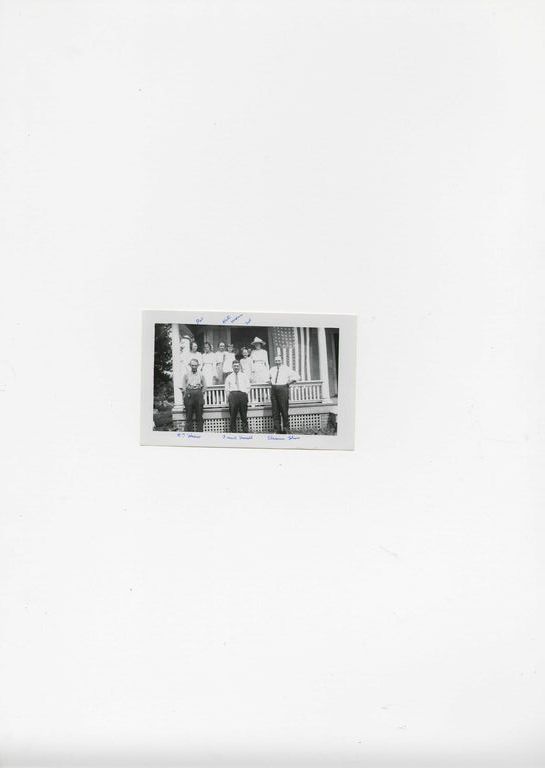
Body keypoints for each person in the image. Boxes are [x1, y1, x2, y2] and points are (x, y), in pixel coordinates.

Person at [269, 354, 299, 434]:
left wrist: (289, 383)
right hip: (274, 389)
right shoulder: (272, 369)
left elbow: (297, 376)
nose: (277, 362)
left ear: (281, 361)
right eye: (276, 360)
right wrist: (271, 383)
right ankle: (277, 429)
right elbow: (267, 378)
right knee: (275, 410)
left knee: (284, 409)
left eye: (279, 360)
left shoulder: (286, 369)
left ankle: (286, 429)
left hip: (283, 389)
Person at [224, 359, 251, 433]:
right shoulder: (229, 377)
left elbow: (248, 386)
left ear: (239, 366)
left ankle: (245, 430)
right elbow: (227, 389)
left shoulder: (244, 376)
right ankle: (233, 431)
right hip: (233, 396)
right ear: (232, 367)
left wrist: (245, 394)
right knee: (233, 415)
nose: (236, 367)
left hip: (242, 395)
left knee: (244, 414)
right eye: (234, 366)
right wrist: (229, 398)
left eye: (237, 366)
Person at [181, 358, 207, 432]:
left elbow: (205, 386)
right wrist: (185, 394)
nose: (194, 367)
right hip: (189, 395)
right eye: (192, 365)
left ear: (198, 365)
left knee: (199, 416)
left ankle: (200, 433)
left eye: (195, 365)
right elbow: (183, 386)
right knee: (189, 416)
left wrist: (201, 393)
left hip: (198, 394)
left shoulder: (201, 374)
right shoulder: (186, 375)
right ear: (190, 365)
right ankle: (189, 433)